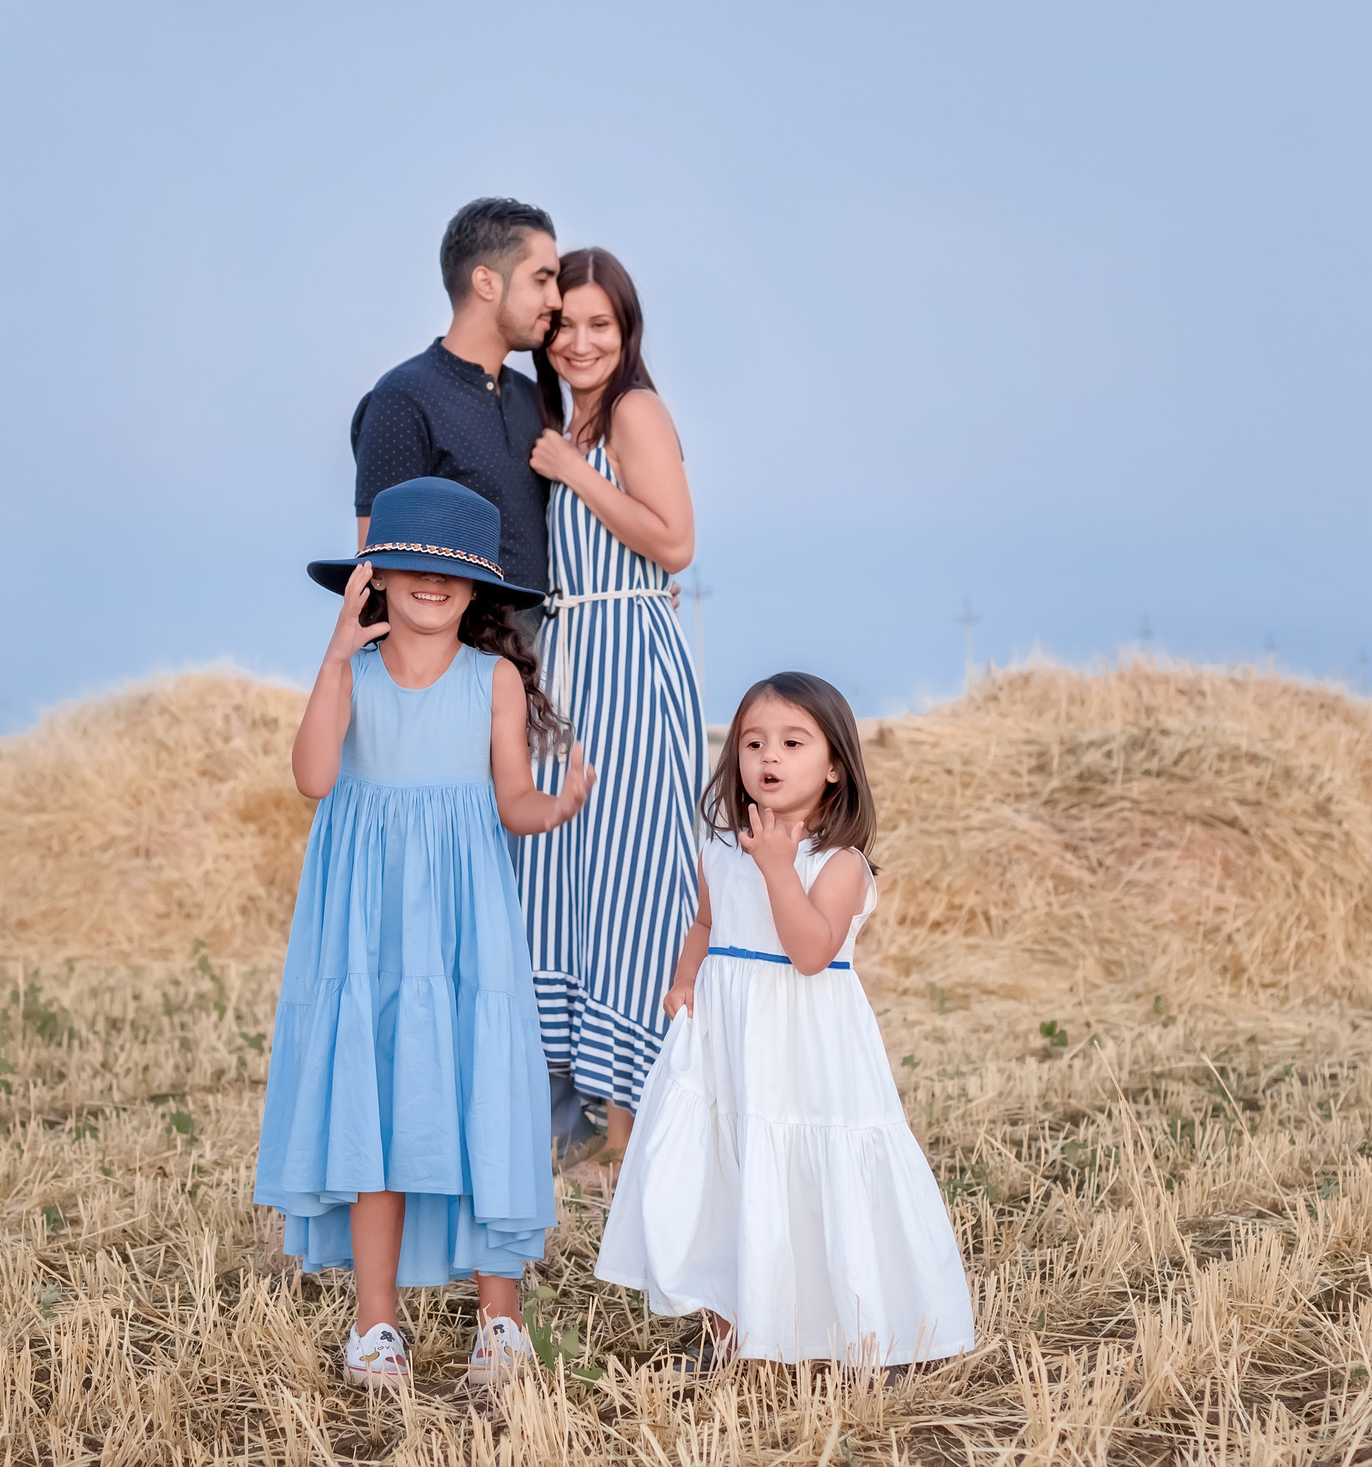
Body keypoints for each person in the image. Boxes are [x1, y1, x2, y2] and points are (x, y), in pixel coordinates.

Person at [254, 476, 598, 1392]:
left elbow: (512, 798)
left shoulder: (495, 679)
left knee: (477, 1091)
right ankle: (376, 1327)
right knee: (378, 1100)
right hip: (365, 925)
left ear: (478, 584)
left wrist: (556, 806)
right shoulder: (353, 674)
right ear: (375, 575)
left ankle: (500, 1324)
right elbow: (313, 777)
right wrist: (336, 654)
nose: (432, 580)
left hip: (463, 922)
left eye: (452, 568)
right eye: (410, 563)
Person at [595, 672, 976, 1369]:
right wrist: (685, 980)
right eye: (753, 742)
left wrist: (778, 869)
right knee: (724, 1174)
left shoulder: (839, 864)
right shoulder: (719, 850)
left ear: (834, 766)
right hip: (729, 1046)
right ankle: (732, 1332)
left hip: (805, 1053)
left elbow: (809, 952)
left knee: (805, 1175)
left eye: (793, 742)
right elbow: (706, 924)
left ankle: (851, 1331)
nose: (768, 755)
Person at [517, 248, 703, 1171]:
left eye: (602, 324)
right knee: (570, 878)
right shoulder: (564, 417)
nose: (581, 341)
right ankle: (587, 1130)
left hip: (629, 659)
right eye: (566, 324)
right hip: (572, 667)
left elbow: (676, 542)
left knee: (634, 886)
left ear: (627, 330)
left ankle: (636, 1138)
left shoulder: (633, 410)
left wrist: (575, 472)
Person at [351, 198, 563, 614]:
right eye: (541, 279)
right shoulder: (402, 398)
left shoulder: (535, 400)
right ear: (486, 282)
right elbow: (377, 575)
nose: (556, 299)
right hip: (460, 653)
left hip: (551, 648)